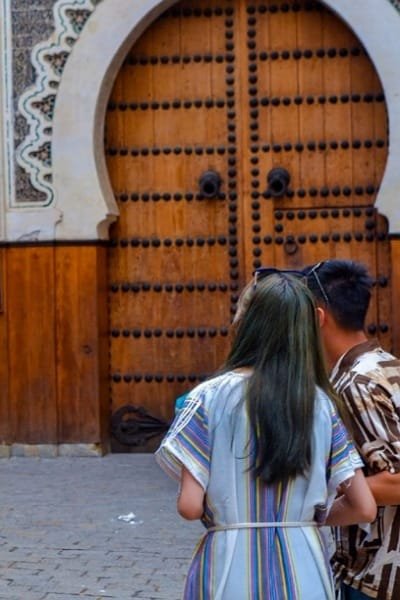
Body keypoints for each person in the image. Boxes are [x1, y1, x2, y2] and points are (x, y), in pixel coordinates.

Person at [156, 270, 376, 600]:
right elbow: (364, 508)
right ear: (308, 329)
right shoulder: (321, 405)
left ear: (250, 323)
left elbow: (189, 506)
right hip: (306, 569)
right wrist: (303, 516)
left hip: (228, 569)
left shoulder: (206, 398)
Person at [304, 259, 400, 599]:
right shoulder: (387, 366)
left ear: (317, 317)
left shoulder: (354, 384)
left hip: (376, 576)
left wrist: (313, 507)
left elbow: (395, 480)